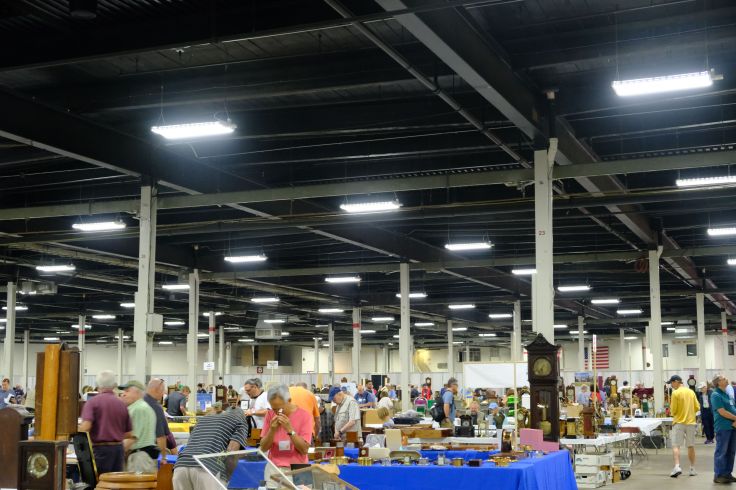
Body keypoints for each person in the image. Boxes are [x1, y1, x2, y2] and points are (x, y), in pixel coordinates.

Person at [173, 408, 250, 490]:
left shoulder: (206, 418)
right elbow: (231, 452)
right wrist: (227, 479)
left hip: (181, 465)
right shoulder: (241, 422)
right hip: (206, 468)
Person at [78, 371, 132, 475]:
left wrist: (76, 431)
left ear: (97, 385)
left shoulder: (92, 402)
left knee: (100, 481)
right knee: (114, 481)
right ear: (114, 385)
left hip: (100, 451)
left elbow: (85, 427)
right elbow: (129, 433)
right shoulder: (122, 404)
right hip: (118, 451)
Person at [260, 385, 313, 484]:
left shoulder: (305, 416)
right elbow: (263, 448)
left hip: (299, 468)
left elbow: (304, 450)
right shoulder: (270, 415)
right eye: (274, 408)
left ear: (289, 401)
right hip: (274, 468)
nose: (277, 412)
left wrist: (290, 430)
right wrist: (272, 430)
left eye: (280, 408)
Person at [120, 380, 158, 473]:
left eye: (127, 391)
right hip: (139, 456)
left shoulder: (139, 409)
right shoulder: (139, 407)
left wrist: (114, 454)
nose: (123, 394)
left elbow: (132, 437)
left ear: (137, 392)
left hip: (139, 459)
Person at [668, 374, 700, 478]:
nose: (671, 385)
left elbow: (673, 410)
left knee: (676, 445)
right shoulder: (691, 392)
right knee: (691, 446)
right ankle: (692, 469)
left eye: (672, 383)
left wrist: (675, 413)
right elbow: (697, 407)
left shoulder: (675, 393)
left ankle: (677, 467)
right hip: (691, 423)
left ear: (676, 381)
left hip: (679, 423)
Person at [711, 374, 736, 484]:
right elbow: (722, 412)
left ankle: (727, 474)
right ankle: (719, 475)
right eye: (724, 379)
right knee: (722, 451)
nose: (726, 379)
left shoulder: (727, 394)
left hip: (733, 426)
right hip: (723, 427)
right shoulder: (715, 395)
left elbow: (733, 408)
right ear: (718, 382)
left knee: (731, 451)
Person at [144, 378, 174, 458]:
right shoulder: (156, 407)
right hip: (148, 454)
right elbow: (161, 436)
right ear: (156, 389)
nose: (163, 393)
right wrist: (164, 457)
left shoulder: (138, 401)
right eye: (162, 390)